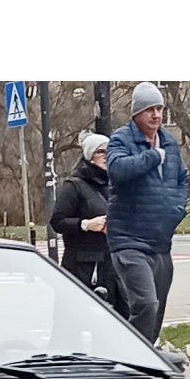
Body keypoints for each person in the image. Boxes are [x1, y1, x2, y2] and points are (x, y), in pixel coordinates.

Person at [106, 82, 189, 347]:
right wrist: (152, 157)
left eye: (159, 108)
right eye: (149, 109)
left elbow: (182, 178)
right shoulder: (122, 139)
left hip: (160, 243)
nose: (156, 115)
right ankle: (128, 354)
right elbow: (117, 169)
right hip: (129, 242)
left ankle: (146, 359)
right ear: (136, 114)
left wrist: (177, 208)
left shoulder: (169, 141)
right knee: (146, 304)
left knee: (157, 313)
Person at [49, 132, 125, 315]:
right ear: (90, 155)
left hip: (114, 264)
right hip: (82, 267)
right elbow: (57, 221)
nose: (107, 156)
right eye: (101, 152)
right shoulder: (74, 185)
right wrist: (86, 224)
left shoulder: (115, 184)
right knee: (75, 319)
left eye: (111, 151)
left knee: (118, 321)